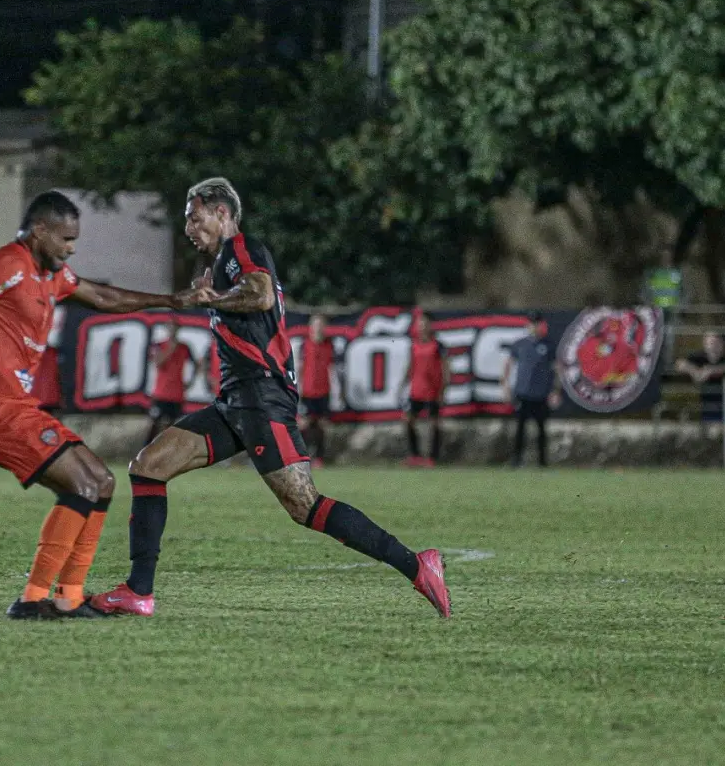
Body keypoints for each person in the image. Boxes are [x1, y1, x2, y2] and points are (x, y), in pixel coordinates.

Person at [89, 177, 452, 619]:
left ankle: (418, 565)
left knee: (304, 506)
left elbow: (260, 295)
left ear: (222, 214)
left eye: (194, 215)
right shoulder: (224, 262)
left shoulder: (241, 249)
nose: (188, 227)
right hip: (233, 403)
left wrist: (216, 297)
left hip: (261, 399)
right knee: (148, 467)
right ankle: (138, 592)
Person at [0, 190, 204, 620]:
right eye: (66, 240)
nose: (72, 248)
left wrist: (171, 301)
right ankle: (33, 599)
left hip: (17, 406)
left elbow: (105, 298)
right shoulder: (9, 264)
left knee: (101, 482)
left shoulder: (51, 275)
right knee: (83, 485)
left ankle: (69, 598)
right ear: (40, 232)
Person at [501, 312, 562, 467]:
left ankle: (542, 461)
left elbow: (557, 369)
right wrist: (505, 386)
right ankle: (517, 460)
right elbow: (508, 365)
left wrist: (556, 390)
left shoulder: (548, 345)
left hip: (541, 394)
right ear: (527, 325)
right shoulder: (520, 344)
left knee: (541, 429)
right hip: (523, 393)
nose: (534, 327)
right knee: (520, 429)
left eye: (536, 323)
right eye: (531, 323)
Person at [399, 312, 449, 466]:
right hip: (416, 390)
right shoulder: (413, 345)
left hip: (432, 391)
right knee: (408, 420)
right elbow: (411, 365)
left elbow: (446, 368)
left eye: (424, 324)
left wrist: (443, 390)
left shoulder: (438, 346)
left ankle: (432, 457)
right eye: (419, 324)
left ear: (430, 326)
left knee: (434, 423)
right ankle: (415, 455)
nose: (422, 327)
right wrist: (403, 383)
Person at [145, 317, 194, 445]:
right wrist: (171, 348)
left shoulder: (185, 347)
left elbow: (196, 365)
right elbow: (158, 362)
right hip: (161, 393)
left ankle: (165, 453)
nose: (172, 330)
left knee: (172, 428)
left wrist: (190, 382)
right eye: (170, 327)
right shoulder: (158, 345)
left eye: (175, 327)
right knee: (154, 425)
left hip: (177, 394)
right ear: (166, 329)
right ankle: (145, 451)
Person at [298, 314, 334, 468]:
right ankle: (302, 456)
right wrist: (298, 388)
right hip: (307, 391)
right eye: (315, 325)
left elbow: (334, 368)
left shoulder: (329, 345)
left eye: (321, 325)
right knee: (304, 424)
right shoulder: (304, 345)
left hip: (324, 391)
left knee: (322, 425)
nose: (318, 328)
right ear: (311, 327)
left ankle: (319, 457)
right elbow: (299, 368)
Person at [675, 332, 725, 422]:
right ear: (705, 344)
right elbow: (679, 364)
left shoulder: (724, 358)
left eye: (717, 343)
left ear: (722, 344)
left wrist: (712, 370)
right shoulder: (699, 357)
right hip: (707, 407)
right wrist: (695, 372)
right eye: (710, 343)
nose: (713, 346)